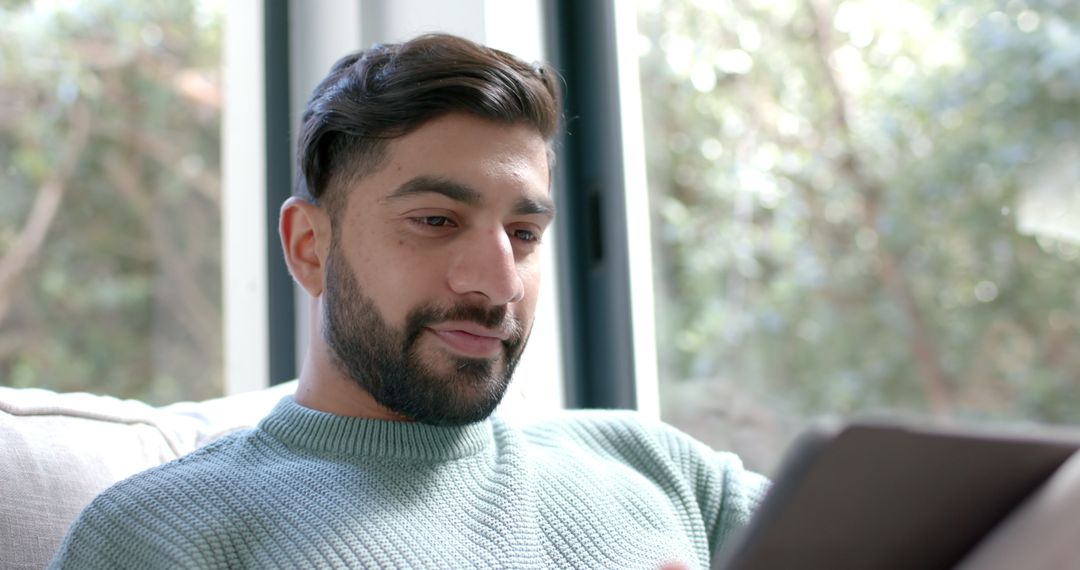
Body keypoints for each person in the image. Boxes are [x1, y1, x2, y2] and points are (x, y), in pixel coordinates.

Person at [50, 33, 768, 569]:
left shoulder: (663, 470)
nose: (497, 282)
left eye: (523, 232)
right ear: (309, 247)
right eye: (435, 221)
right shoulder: (161, 537)